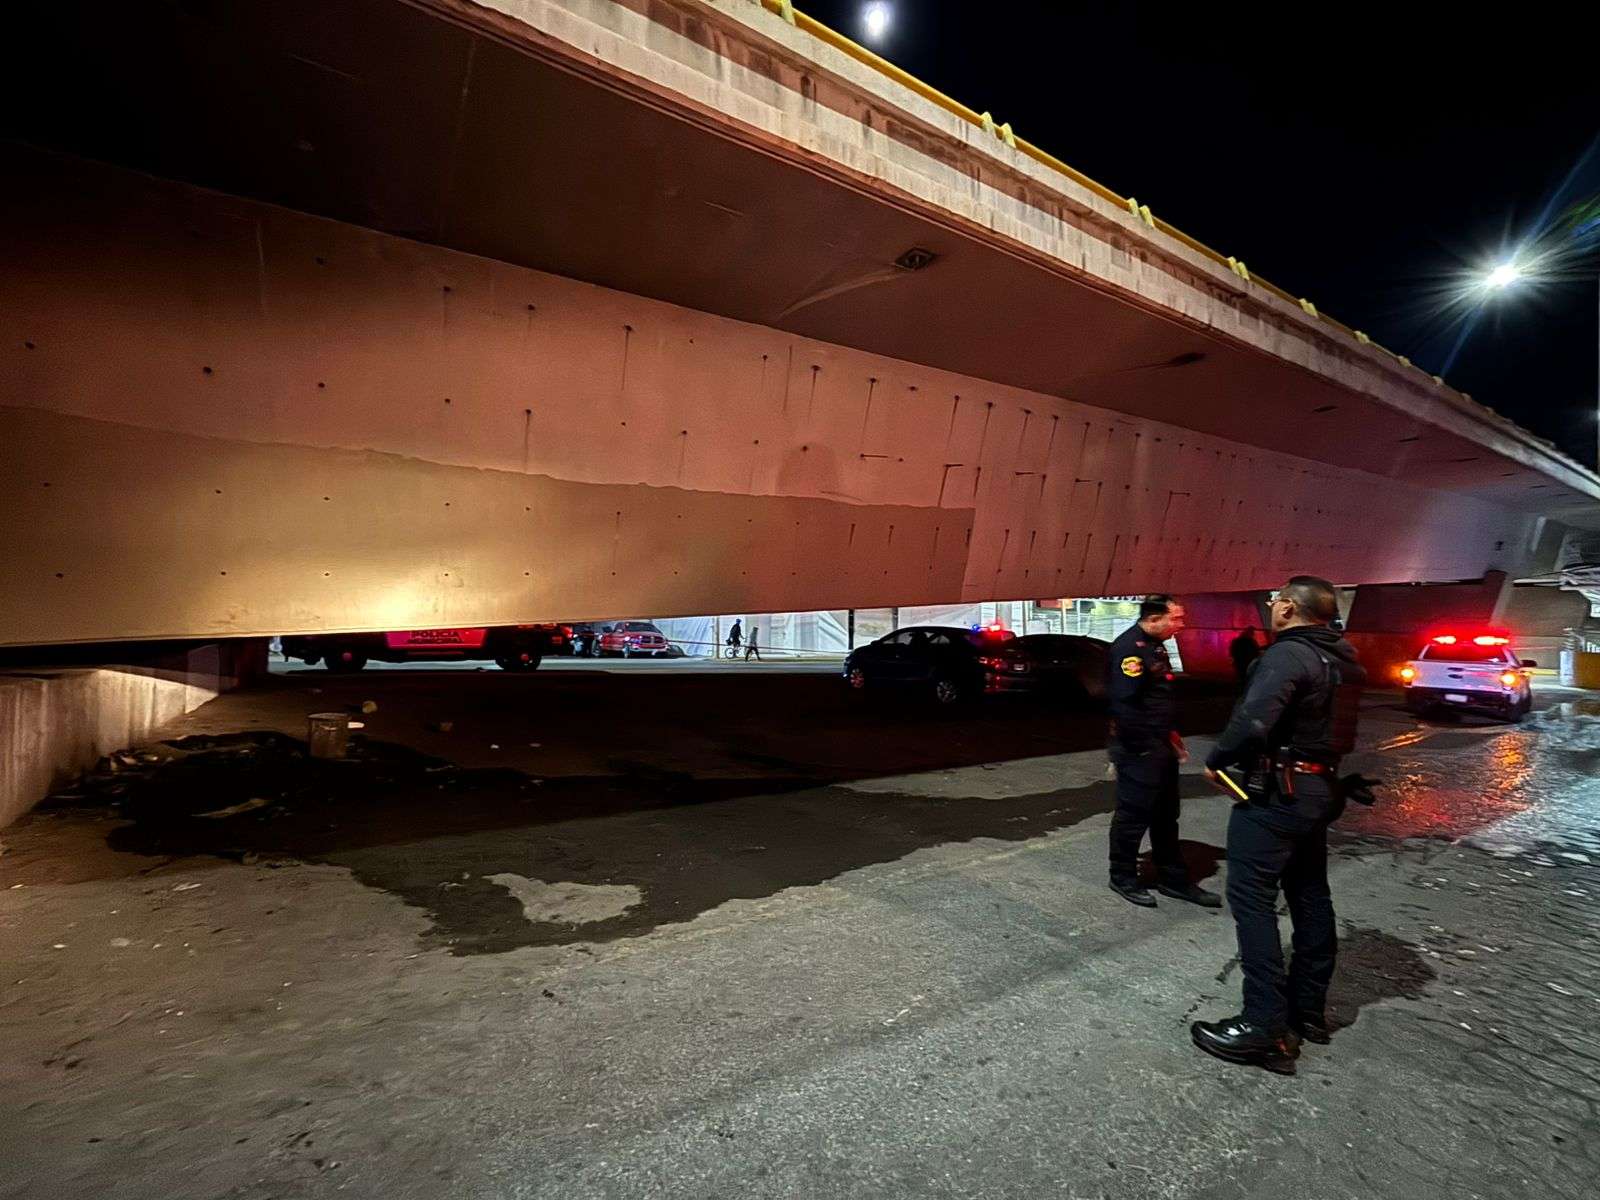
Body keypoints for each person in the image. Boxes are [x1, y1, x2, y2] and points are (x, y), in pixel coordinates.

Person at [1193, 575, 1367, 1075]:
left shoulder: (1289, 655)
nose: (1272, 607)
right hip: (1320, 788)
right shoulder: (1343, 657)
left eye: (1276, 601)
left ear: (1289, 608)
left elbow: (1253, 720)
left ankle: (1263, 1024)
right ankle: (1306, 1010)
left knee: (1252, 901)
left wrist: (1218, 760)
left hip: (1279, 792)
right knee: (1311, 894)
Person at [1105, 596, 1219, 909]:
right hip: (1140, 749)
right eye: (1176, 619)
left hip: (1159, 745)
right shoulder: (1129, 649)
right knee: (1133, 816)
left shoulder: (1155, 646)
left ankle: (1173, 880)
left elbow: (1156, 699)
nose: (1181, 626)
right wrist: (1140, 750)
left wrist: (1170, 737)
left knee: (1167, 816)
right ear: (1155, 618)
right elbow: (1124, 705)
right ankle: (1123, 876)